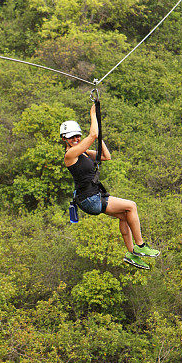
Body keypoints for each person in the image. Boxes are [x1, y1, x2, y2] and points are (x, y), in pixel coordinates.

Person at [60, 104, 159, 269]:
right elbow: (92, 134)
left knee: (124, 216)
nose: (76, 139)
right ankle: (141, 246)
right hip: (90, 199)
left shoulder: (83, 153)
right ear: (64, 139)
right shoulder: (70, 155)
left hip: (93, 197)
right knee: (131, 206)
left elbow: (106, 156)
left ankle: (132, 255)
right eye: (71, 137)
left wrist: (99, 138)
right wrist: (93, 113)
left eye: (77, 136)